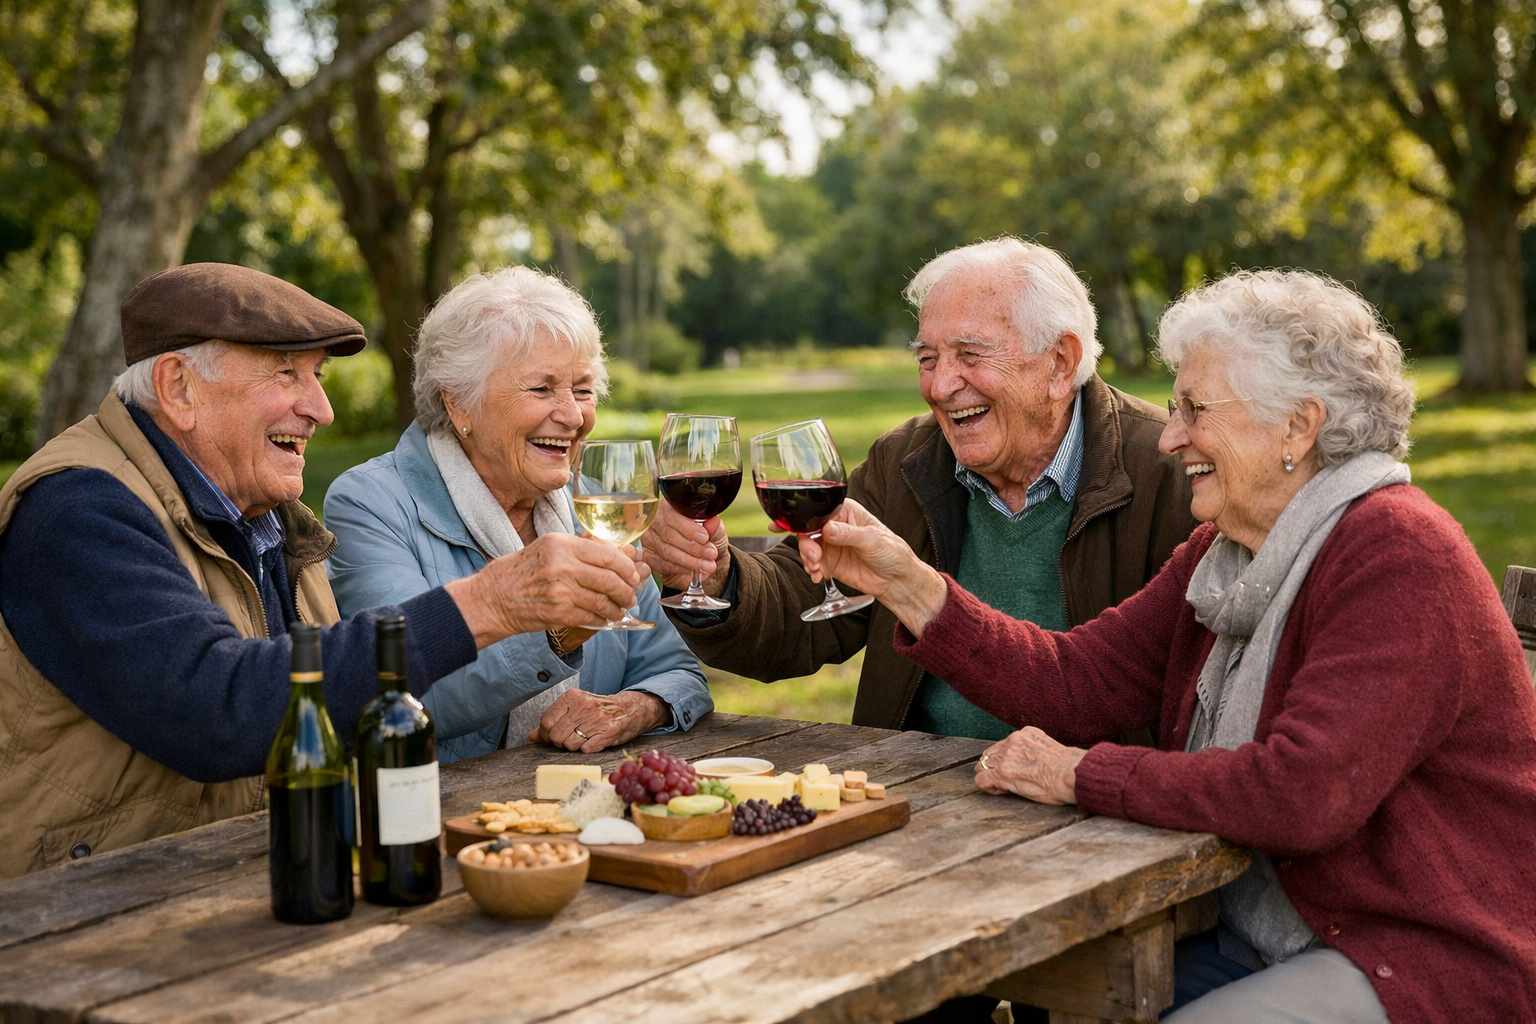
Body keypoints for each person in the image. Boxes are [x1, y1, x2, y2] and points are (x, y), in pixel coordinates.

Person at [796, 269, 1536, 1023]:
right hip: (1263, 928)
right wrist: (911, 585)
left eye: (1194, 409)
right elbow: (1077, 681)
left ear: (1298, 426)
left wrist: (1085, 774)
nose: (1172, 434)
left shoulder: (1397, 552)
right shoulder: (1225, 553)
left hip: (1412, 951)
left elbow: (1301, 795)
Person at [0, 263, 644, 880]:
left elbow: (336, 705)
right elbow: (216, 712)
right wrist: (490, 605)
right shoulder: (79, 512)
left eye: (318, 378)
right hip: (86, 910)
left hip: (247, 874)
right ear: (178, 388)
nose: (321, 410)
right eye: (287, 376)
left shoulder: (265, 515)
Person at [643, 237, 1196, 740]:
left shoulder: (1170, 472)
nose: (940, 385)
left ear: (1059, 362)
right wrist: (717, 575)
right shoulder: (905, 461)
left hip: (1087, 811)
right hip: (920, 788)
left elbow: (1168, 696)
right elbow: (800, 612)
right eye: (927, 359)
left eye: (970, 355)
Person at [324, 266, 712, 763]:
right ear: (459, 403)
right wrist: (555, 636)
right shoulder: (372, 503)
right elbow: (401, 693)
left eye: (583, 389)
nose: (572, 415)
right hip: (435, 816)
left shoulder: (597, 506)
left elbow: (678, 672)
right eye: (542, 389)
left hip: (582, 815)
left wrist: (637, 706)